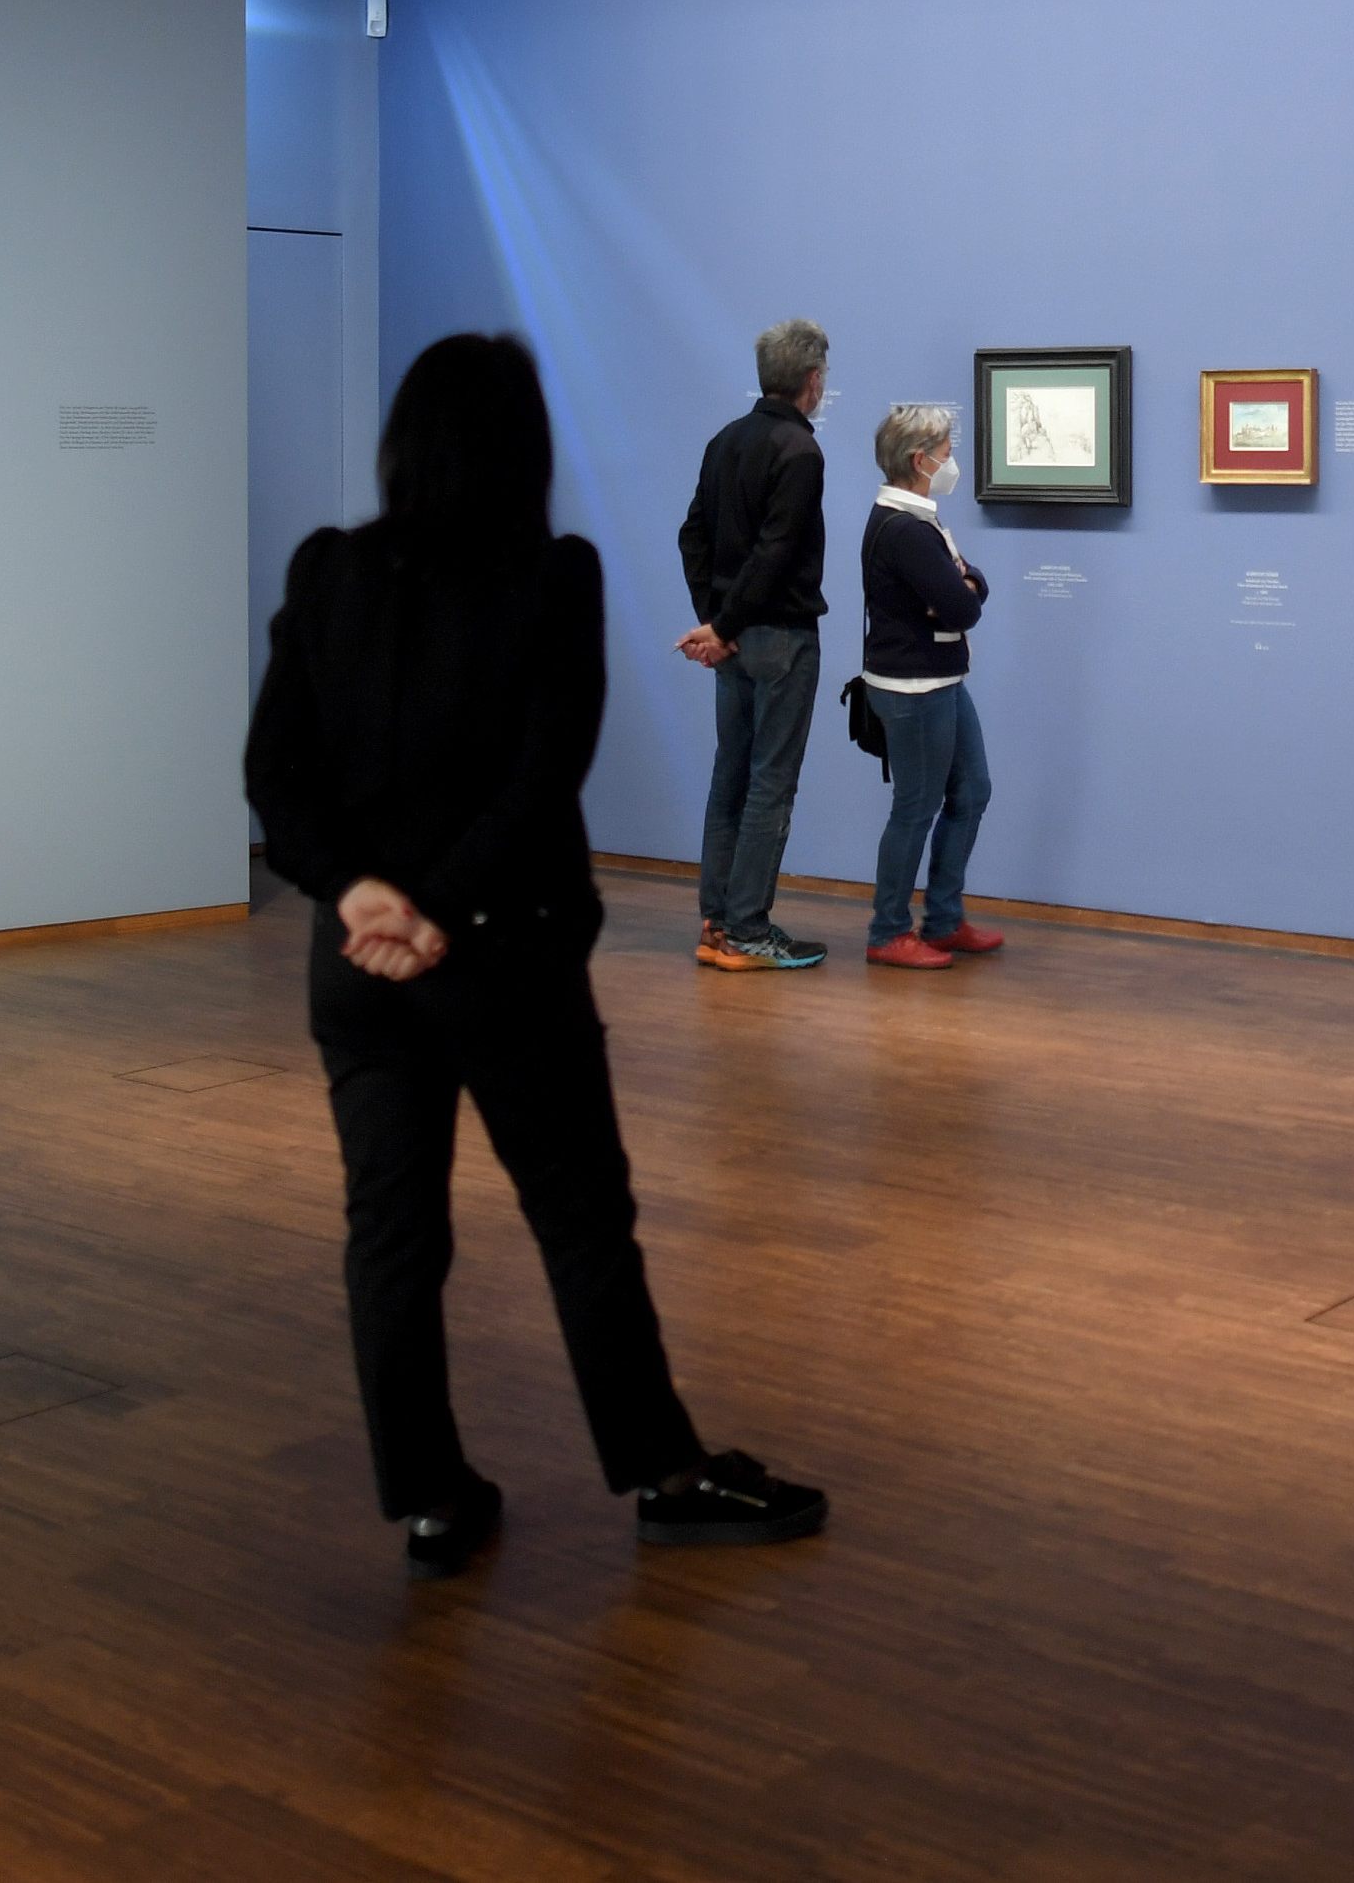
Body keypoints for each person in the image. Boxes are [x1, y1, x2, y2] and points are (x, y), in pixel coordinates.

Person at [247, 332, 826, 1580]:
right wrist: (437, 911)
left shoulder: (328, 570)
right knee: (579, 1221)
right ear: (526, 446)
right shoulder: (551, 573)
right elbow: (540, 774)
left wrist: (363, 901)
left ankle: (430, 1499)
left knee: (391, 1236)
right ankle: (667, 1475)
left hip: (360, 969)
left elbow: (274, 777)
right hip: (503, 960)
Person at [676, 319, 834, 972]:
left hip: (735, 641)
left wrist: (714, 623)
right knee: (771, 782)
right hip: (779, 638)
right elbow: (776, 553)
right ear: (812, 380)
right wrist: (726, 626)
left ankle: (718, 920)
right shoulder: (800, 451)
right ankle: (746, 928)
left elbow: (693, 536)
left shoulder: (724, 440)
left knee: (730, 777)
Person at [856, 406, 1001, 970]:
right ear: (920, 460)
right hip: (913, 687)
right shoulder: (907, 529)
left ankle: (943, 919)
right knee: (915, 807)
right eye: (945, 451)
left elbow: (967, 584)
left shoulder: (917, 520)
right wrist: (966, 585)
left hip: (941, 679)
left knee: (973, 791)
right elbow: (965, 603)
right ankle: (888, 930)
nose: (951, 462)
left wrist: (967, 584)